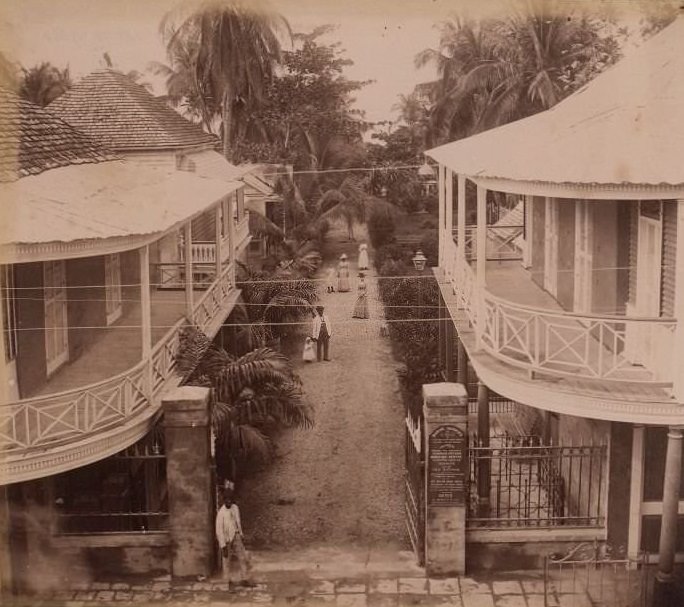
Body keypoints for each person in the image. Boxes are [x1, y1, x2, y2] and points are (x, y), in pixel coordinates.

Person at [215, 490, 252, 586]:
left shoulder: (235, 508)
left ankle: (245, 579)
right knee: (226, 560)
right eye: (227, 500)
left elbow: (238, 522)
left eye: (230, 500)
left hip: (236, 535)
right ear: (224, 501)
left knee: (242, 557)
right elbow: (219, 530)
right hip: (226, 538)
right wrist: (223, 546)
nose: (229, 502)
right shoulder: (221, 513)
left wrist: (240, 534)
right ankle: (227, 581)